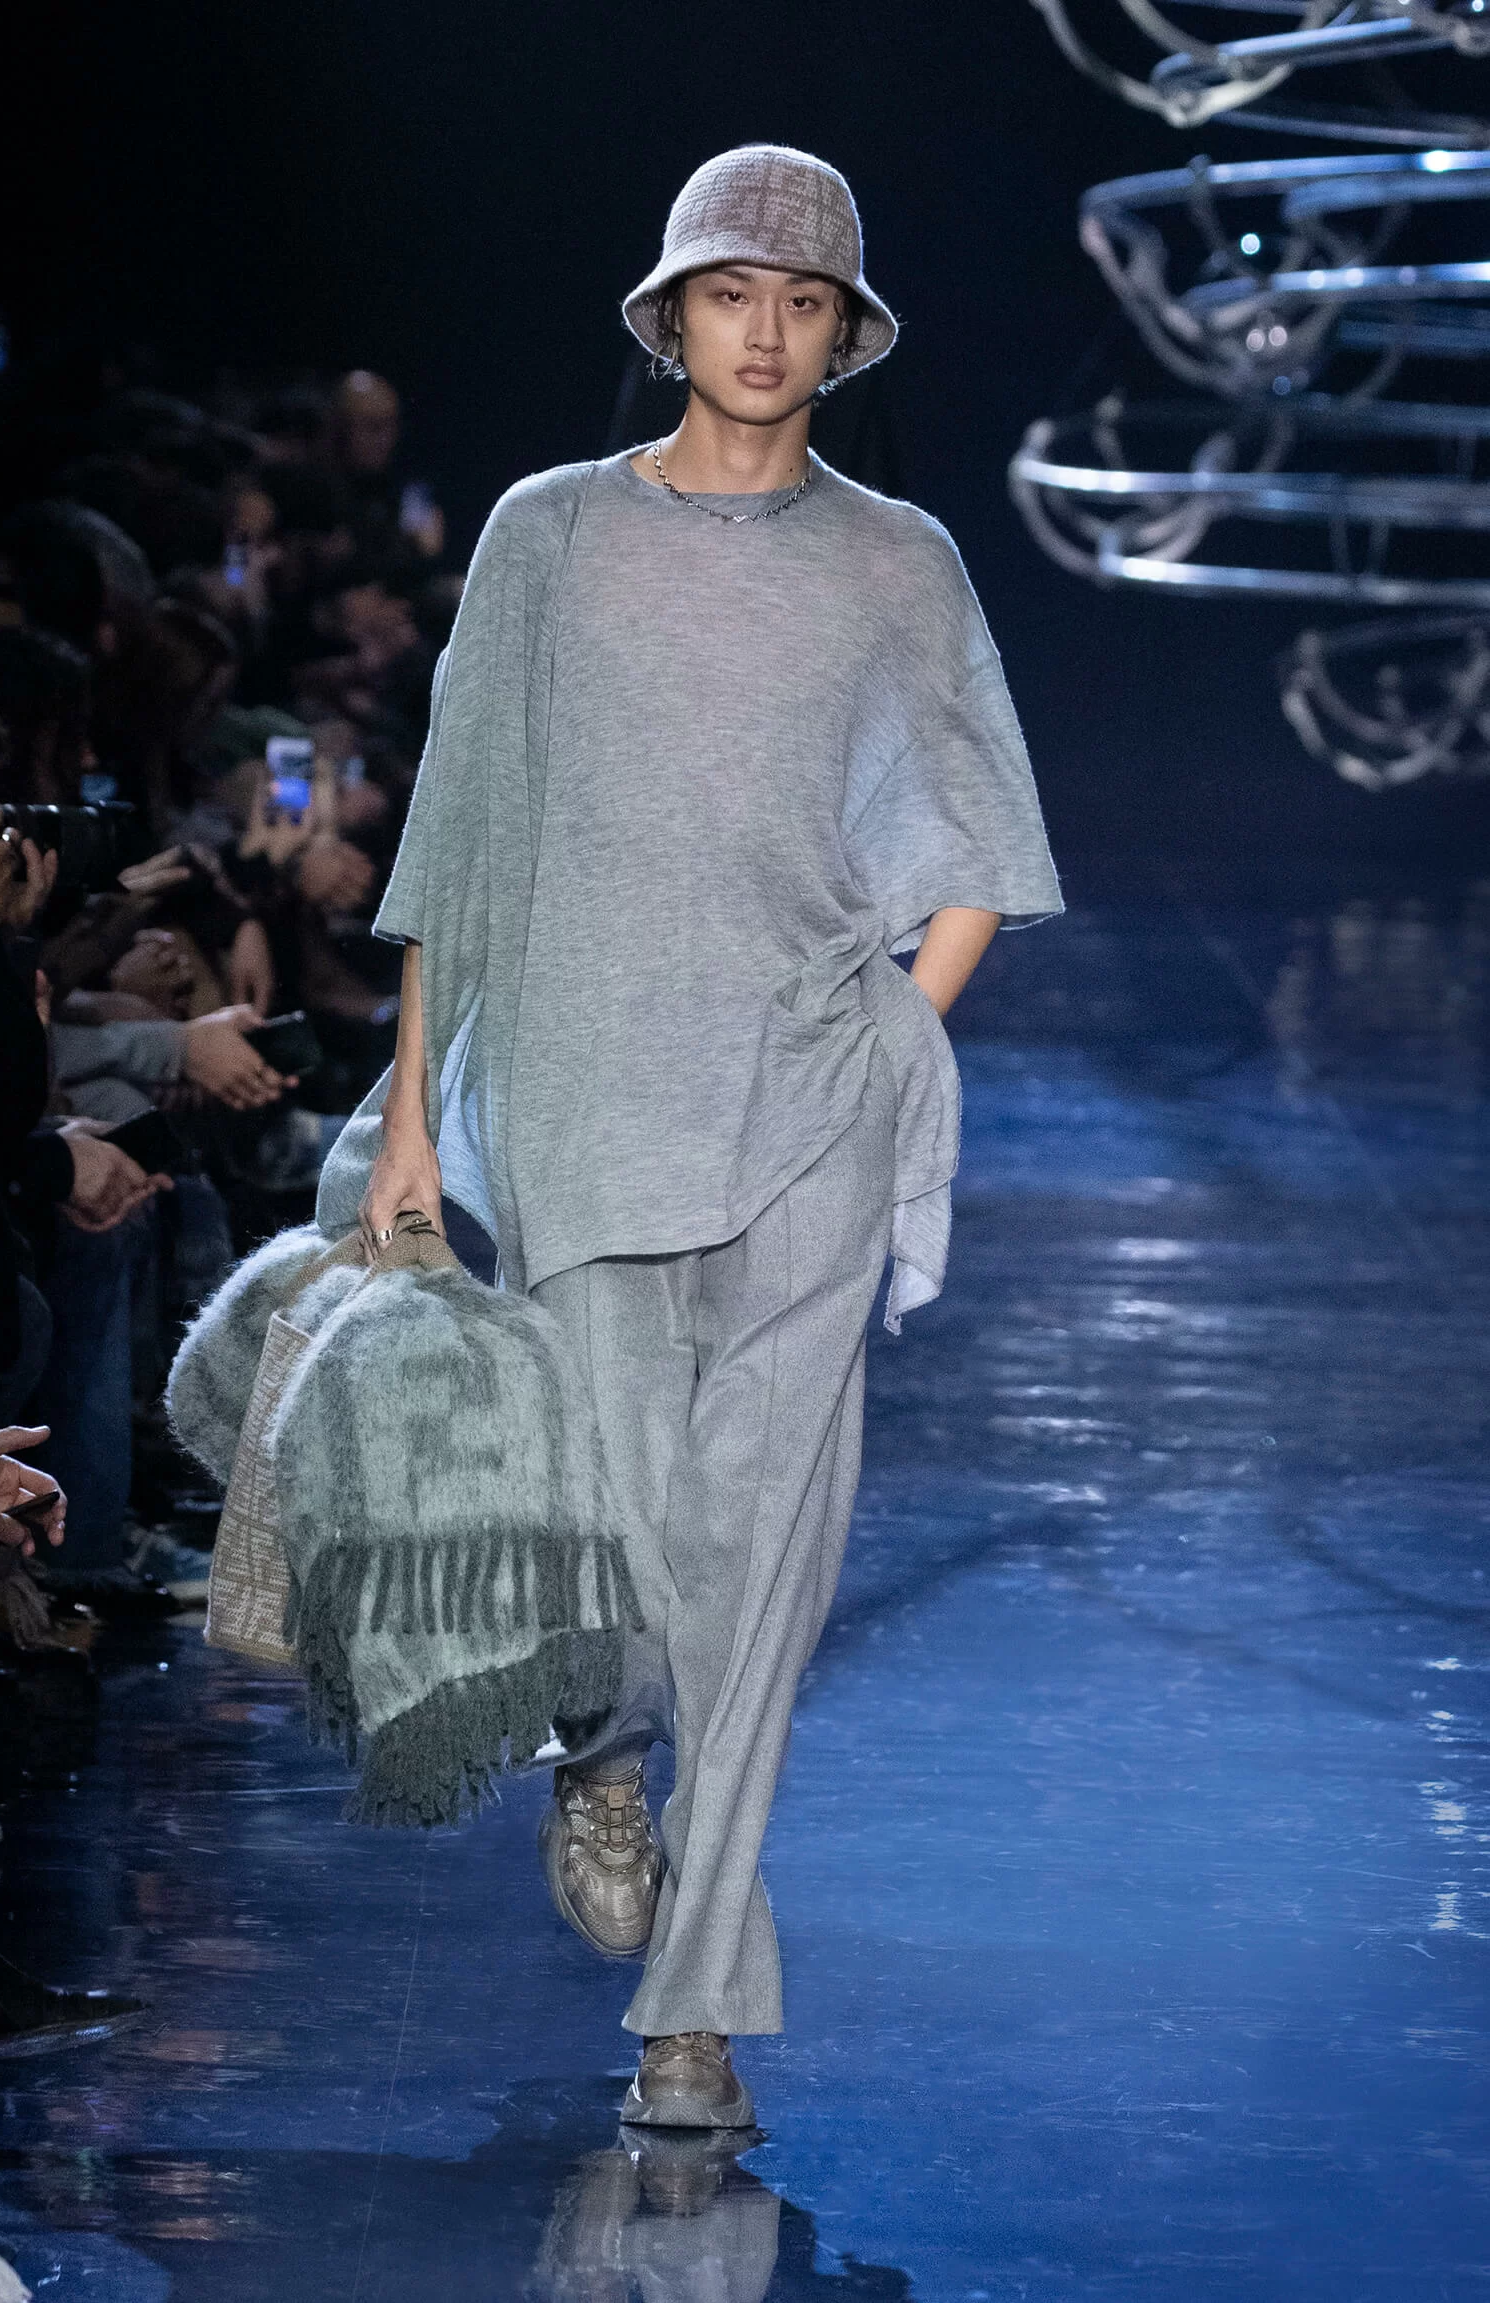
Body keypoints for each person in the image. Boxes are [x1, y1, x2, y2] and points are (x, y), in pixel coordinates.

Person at [344, 145, 1062, 2128]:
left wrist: (895, 1029)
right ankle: (600, 1750)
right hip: (578, 1088)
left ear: (843, 336)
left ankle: (695, 2013)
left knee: (767, 1567)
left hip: (809, 1101)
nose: (765, 331)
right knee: (627, 1544)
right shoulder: (548, 533)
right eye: (732, 294)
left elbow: (979, 836)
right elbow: (461, 833)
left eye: (803, 301)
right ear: (670, 319)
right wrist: (413, 1113)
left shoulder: (896, 559)